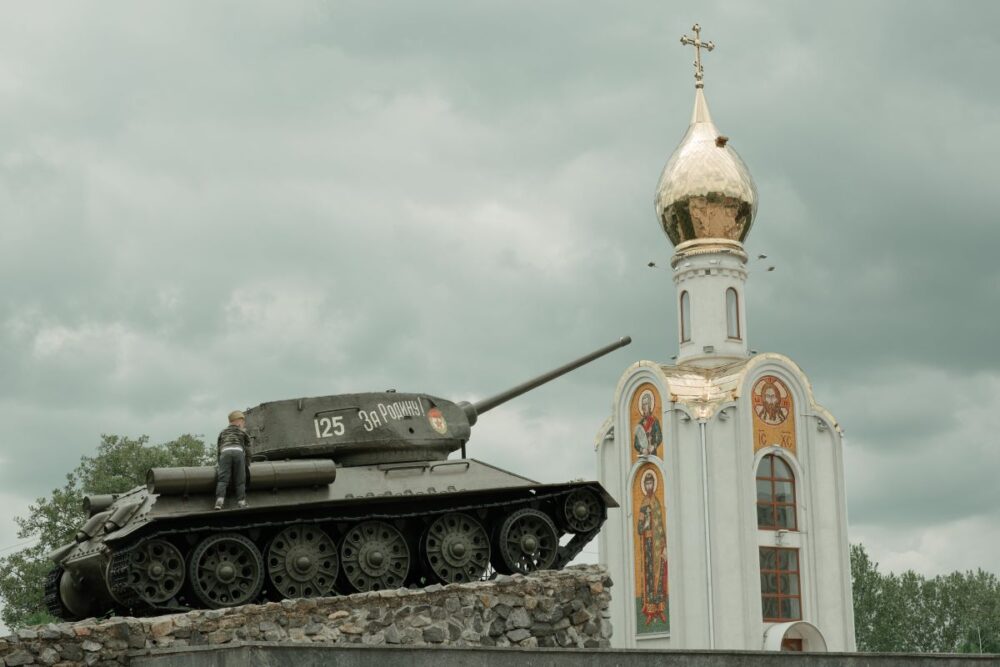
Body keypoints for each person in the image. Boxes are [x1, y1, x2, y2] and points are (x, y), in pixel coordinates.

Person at [215, 410, 251, 510]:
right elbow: (248, 448)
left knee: (222, 479)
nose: (243, 424)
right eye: (243, 422)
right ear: (239, 421)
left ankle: (219, 501)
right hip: (238, 452)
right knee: (240, 479)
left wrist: (220, 463)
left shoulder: (223, 432)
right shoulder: (242, 431)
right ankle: (241, 502)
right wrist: (247, 462)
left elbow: (218, 448)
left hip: (225, 452)